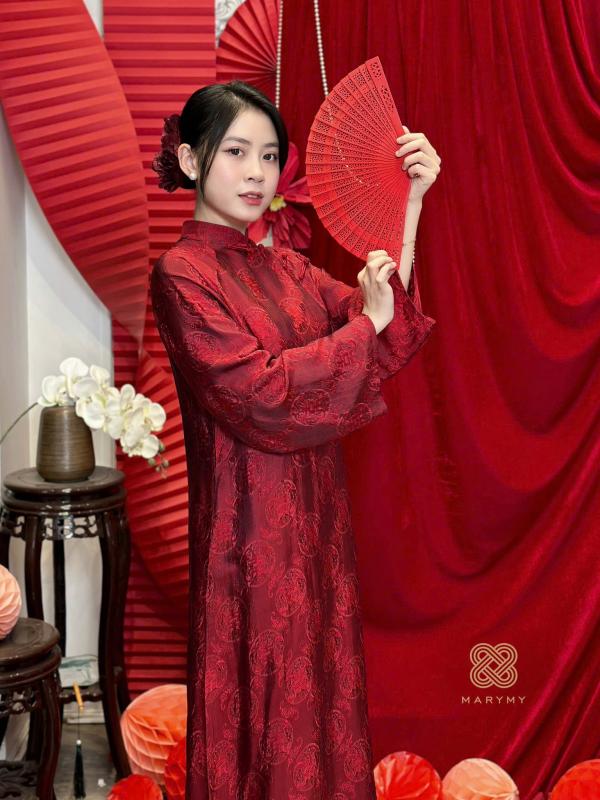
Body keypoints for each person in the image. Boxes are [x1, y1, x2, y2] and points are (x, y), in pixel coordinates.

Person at [150, 80, 441, 800]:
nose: (257, 173)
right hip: (245, 538)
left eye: (270, 156)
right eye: (236, 152)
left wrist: (411, 206)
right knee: (261, 706)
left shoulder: (283, 265)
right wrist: (366, 326)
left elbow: (384, 328)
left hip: (316, 526)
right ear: (190, 160)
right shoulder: (182, 274)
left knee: (321, 700)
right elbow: (259, 394)